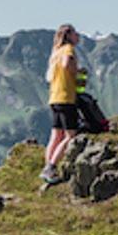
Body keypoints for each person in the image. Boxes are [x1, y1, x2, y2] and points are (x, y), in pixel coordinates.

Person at [41, 23, 80, 184]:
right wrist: (77, 71)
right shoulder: (68, 49)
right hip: (66, 98)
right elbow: (67, 63)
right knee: (71, 135)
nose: (78, 36)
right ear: (68, 35)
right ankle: (51, 167)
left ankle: (46, 166)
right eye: (75, 33)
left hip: (54, 97)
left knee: (56, 134)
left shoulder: (55, 53)